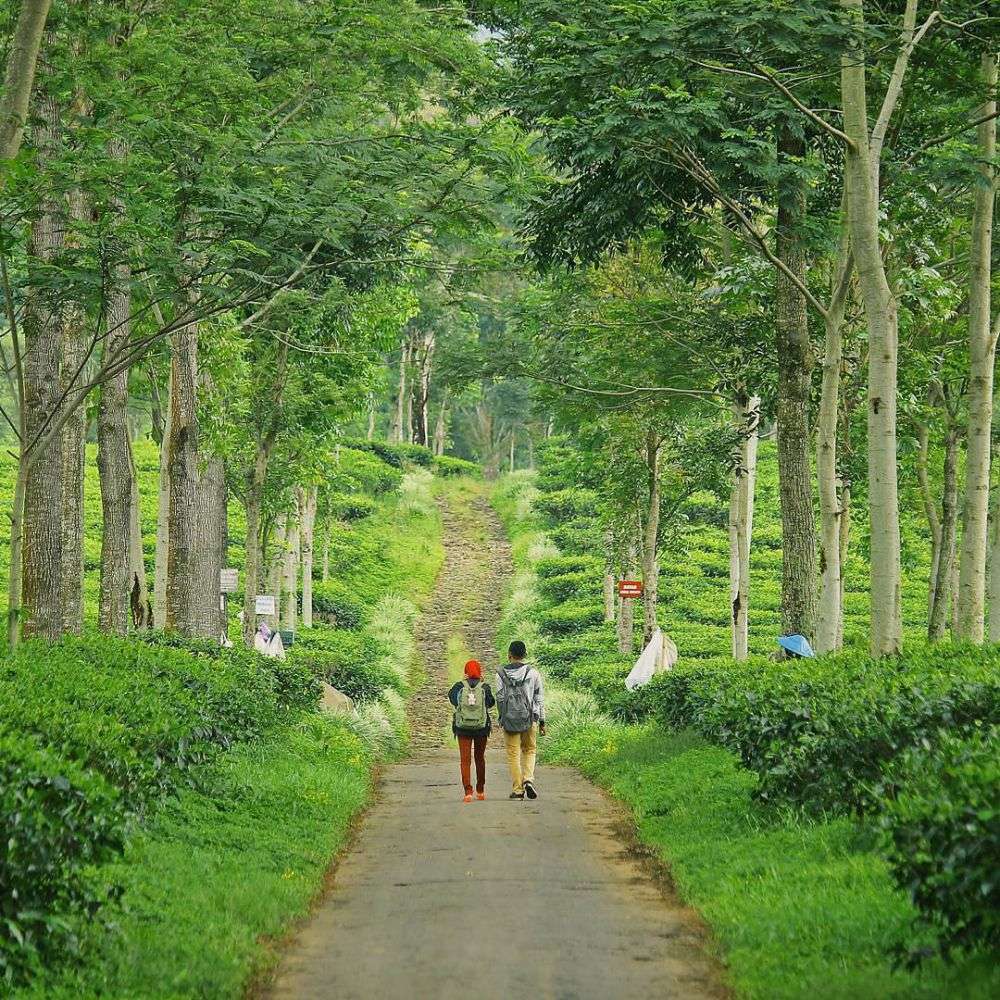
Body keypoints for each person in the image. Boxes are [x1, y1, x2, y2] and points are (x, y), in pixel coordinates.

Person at [495, 640, 545, 800]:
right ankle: (528, 779)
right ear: (524, 655)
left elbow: (500, 698)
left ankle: (517, 789)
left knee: (513, 753)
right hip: (529, 718)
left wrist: (502, 717)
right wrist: (541, 720)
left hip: (510, 719)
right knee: (530, 750)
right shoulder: (533, 673)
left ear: (509, 655)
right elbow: (539, 698)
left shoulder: (500, 674)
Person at [448, 659, 495, 803]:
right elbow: (490, 703)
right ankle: (480, 790)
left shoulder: (458, 686)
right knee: (479, 758)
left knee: (465, 760)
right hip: (481, 728)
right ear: (480, 672)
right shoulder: (485, 687)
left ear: (466, 672)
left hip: (463, 728)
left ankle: (468, 792)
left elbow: (453, 700)